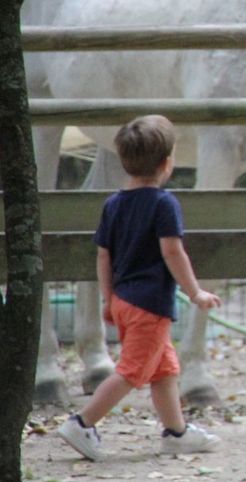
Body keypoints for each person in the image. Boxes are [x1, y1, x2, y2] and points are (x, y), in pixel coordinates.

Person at [56, 115, 223, 461]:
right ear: (167, 163)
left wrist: (108, 297)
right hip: (150, 305)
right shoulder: (164, 204)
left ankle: (176, 432)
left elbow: (104, 255)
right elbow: (172, 251)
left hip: (122, 299)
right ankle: (82, 422)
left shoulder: (113, 204)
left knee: (164, 369)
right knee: (132, 372)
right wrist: (195, 292)